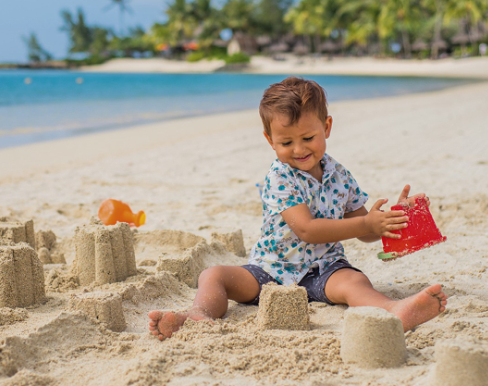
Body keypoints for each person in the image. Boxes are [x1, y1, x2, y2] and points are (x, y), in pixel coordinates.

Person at [149, 76, 447, 341]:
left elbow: (364, 229)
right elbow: (306, 229)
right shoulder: (280, 177)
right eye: (286, 142)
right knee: (214, 274)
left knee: (355, 281)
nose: (299, 149)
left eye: (308, 138)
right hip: (268, 270)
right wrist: (367, 224)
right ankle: (200, 314)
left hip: (325, 269)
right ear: (270, 141)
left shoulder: (340, 175)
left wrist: (393, 219)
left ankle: (393, 310)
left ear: (327, 127)